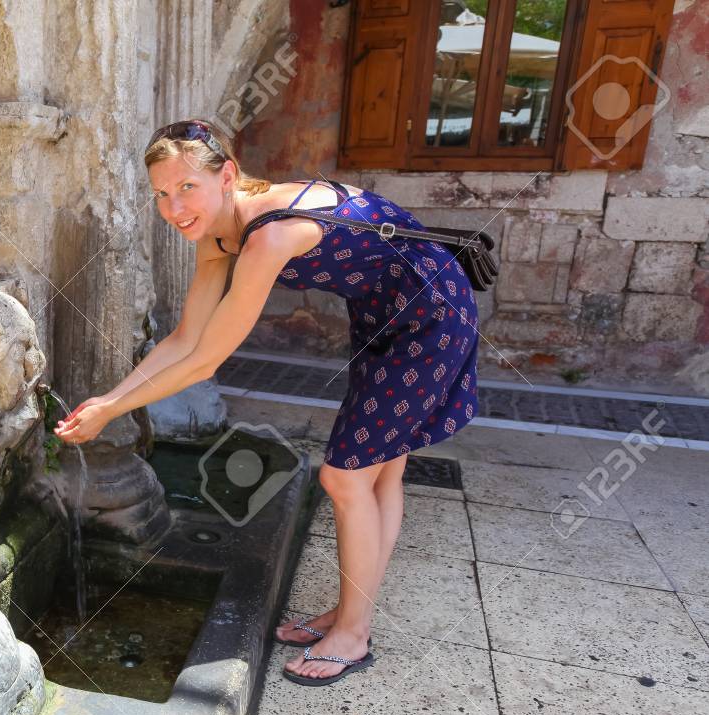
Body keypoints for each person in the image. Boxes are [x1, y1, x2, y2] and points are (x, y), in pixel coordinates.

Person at [53, 118, 479, 686]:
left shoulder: (270, 236)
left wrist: (112, 411)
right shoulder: (217, 236)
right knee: (378, 477)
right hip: (384, 313)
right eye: (161, 193)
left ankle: (353, 636)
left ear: (227, 176)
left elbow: (205, 362)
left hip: (431, 315)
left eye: (187, 188)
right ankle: (352, 612)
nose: (174, 207)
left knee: (346, 478)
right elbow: (186, 338)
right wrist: (110, 398)